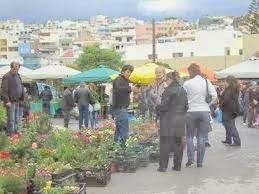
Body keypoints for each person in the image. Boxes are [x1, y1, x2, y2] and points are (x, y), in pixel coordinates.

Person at [183, 63, 217, 168]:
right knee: (201, 137)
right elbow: (214, 96)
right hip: (204, 111)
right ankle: (200, 162)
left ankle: (190, 159)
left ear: (190, 71)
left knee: (189, 136)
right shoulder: (206, 82)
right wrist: (208, 104)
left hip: (190, 112)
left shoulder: (187, 83)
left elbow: (183, 98)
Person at [156, 72, 188, 172]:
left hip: (168, 119)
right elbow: (186, 106)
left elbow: (164, 106)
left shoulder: (168, 90)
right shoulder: (182, 90)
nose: (165, 82)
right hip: (180, 118)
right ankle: (177, 166)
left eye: (166, 80)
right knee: (178, 143)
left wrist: (157, 108)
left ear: (170, 79)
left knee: (165, 143)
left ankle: (163, 167)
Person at [112, 64, 137, 146]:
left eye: (130, 72)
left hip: (121, 107)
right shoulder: (119, 79)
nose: (129, 74)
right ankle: (122, 147)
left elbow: (122, 90)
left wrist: (131, 89)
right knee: (123, 127)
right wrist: (130, 89)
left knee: (119, 128)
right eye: (128, 72)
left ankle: (116, 145)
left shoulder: (124, 80)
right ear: (123, 71)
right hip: (120, 107)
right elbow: (118, 89)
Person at [1, 62, 24, 136]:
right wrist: (7, 101)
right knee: (11, 120)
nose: (16, 70)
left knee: (17, 119)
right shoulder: (6, 76)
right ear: (11, 68)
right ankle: (10, 135)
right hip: (10, 102)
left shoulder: (18, 76)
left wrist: (22, 95)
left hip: (17, 100)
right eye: (15, 69)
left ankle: (16, 135)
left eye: (18, 69)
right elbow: (3, 90)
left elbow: (20, 86)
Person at [219, 76, 241, 146]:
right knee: (227, 125)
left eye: (225, 81)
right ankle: (228, 140)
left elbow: (226, 99)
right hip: (231, 109)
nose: (224, 83)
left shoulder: (230, 89)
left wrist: (220, 104)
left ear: (228, 82)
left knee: (230, 126)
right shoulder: (233, 88)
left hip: (228, 109)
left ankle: (237, 141)